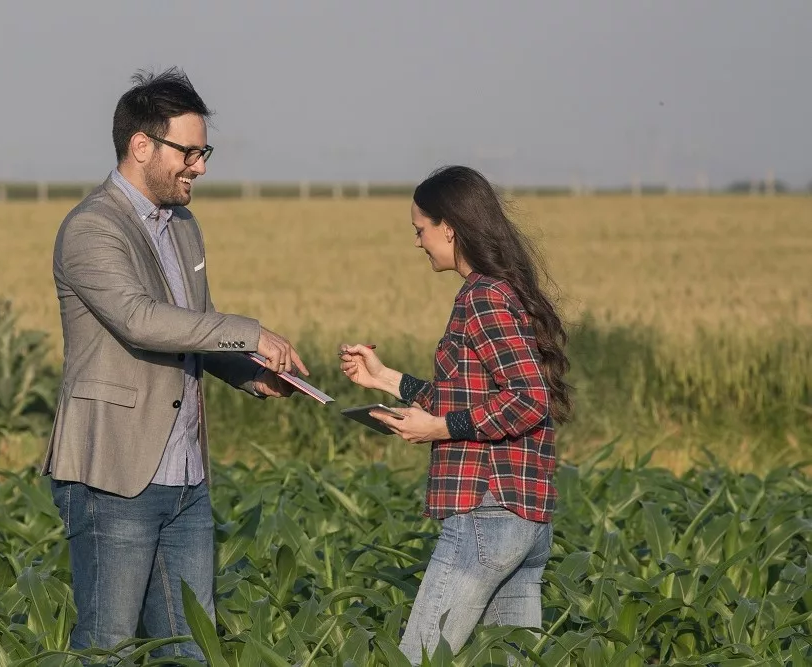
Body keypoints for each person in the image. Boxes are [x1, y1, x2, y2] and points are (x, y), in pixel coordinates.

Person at [42, 67, 308, 662]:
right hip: (113, 474)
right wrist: (251, 333)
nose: (201, 166)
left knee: (190, 648)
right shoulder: (91, 227)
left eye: (203, 151)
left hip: (187, 477)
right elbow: (139, 320)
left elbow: (196, 325)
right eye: (189, 151)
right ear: (142, 146)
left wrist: (251, 373)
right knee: (106, 648)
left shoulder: (183, 226)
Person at [338, 165, 573, 665]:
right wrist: (385, 380)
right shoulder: (505, 291)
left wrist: (439, 429)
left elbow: (527, 399)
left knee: (417, 657)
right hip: (525, 515)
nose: (418, 242)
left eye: (420, 230)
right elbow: (472, 395)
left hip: (486, 510)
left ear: (449, 226)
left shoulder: (483, 296)